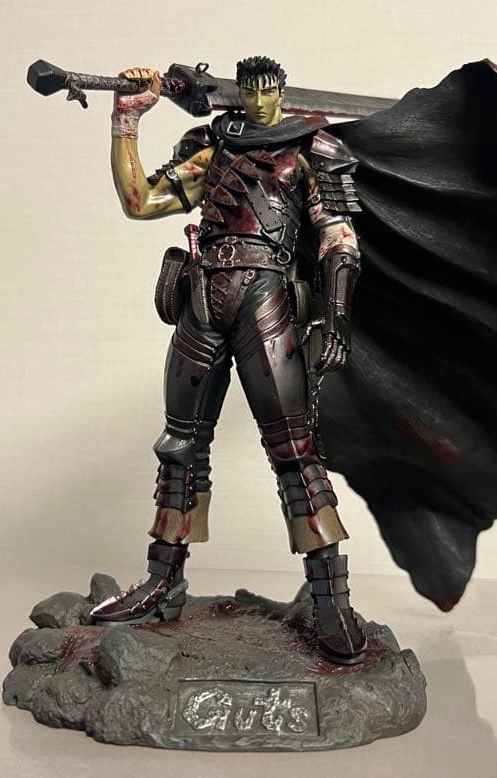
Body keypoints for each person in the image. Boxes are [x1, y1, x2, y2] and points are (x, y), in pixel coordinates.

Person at [88, 56, 367, 665]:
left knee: (294, 451)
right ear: (239, 93)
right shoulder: (214, 148)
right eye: (251, 92)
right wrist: (126, 122)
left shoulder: (311, 150)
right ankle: (162, 582)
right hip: (203, 299)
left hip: (266, 302)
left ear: (281, 93)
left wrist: (336, 317)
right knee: (180, 445)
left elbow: (338, 240)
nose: (260, 103)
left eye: (269, 92)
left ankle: (330, 598)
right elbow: (141, 201)